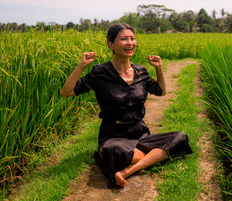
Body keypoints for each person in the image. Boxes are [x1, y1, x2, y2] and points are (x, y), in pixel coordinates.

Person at [60, 23, 192, 188]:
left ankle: (127, 171)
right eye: (124, 39)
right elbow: (66, 92)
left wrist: (159, 69)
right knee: (115, 151)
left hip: (140, 133)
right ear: (111, 44)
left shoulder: (141, 72)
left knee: (180, 137)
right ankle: (154, 155)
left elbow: (161, 92)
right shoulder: (100, 72)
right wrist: (81, 66)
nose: (130, 43)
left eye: (132, 38)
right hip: (113, 135)